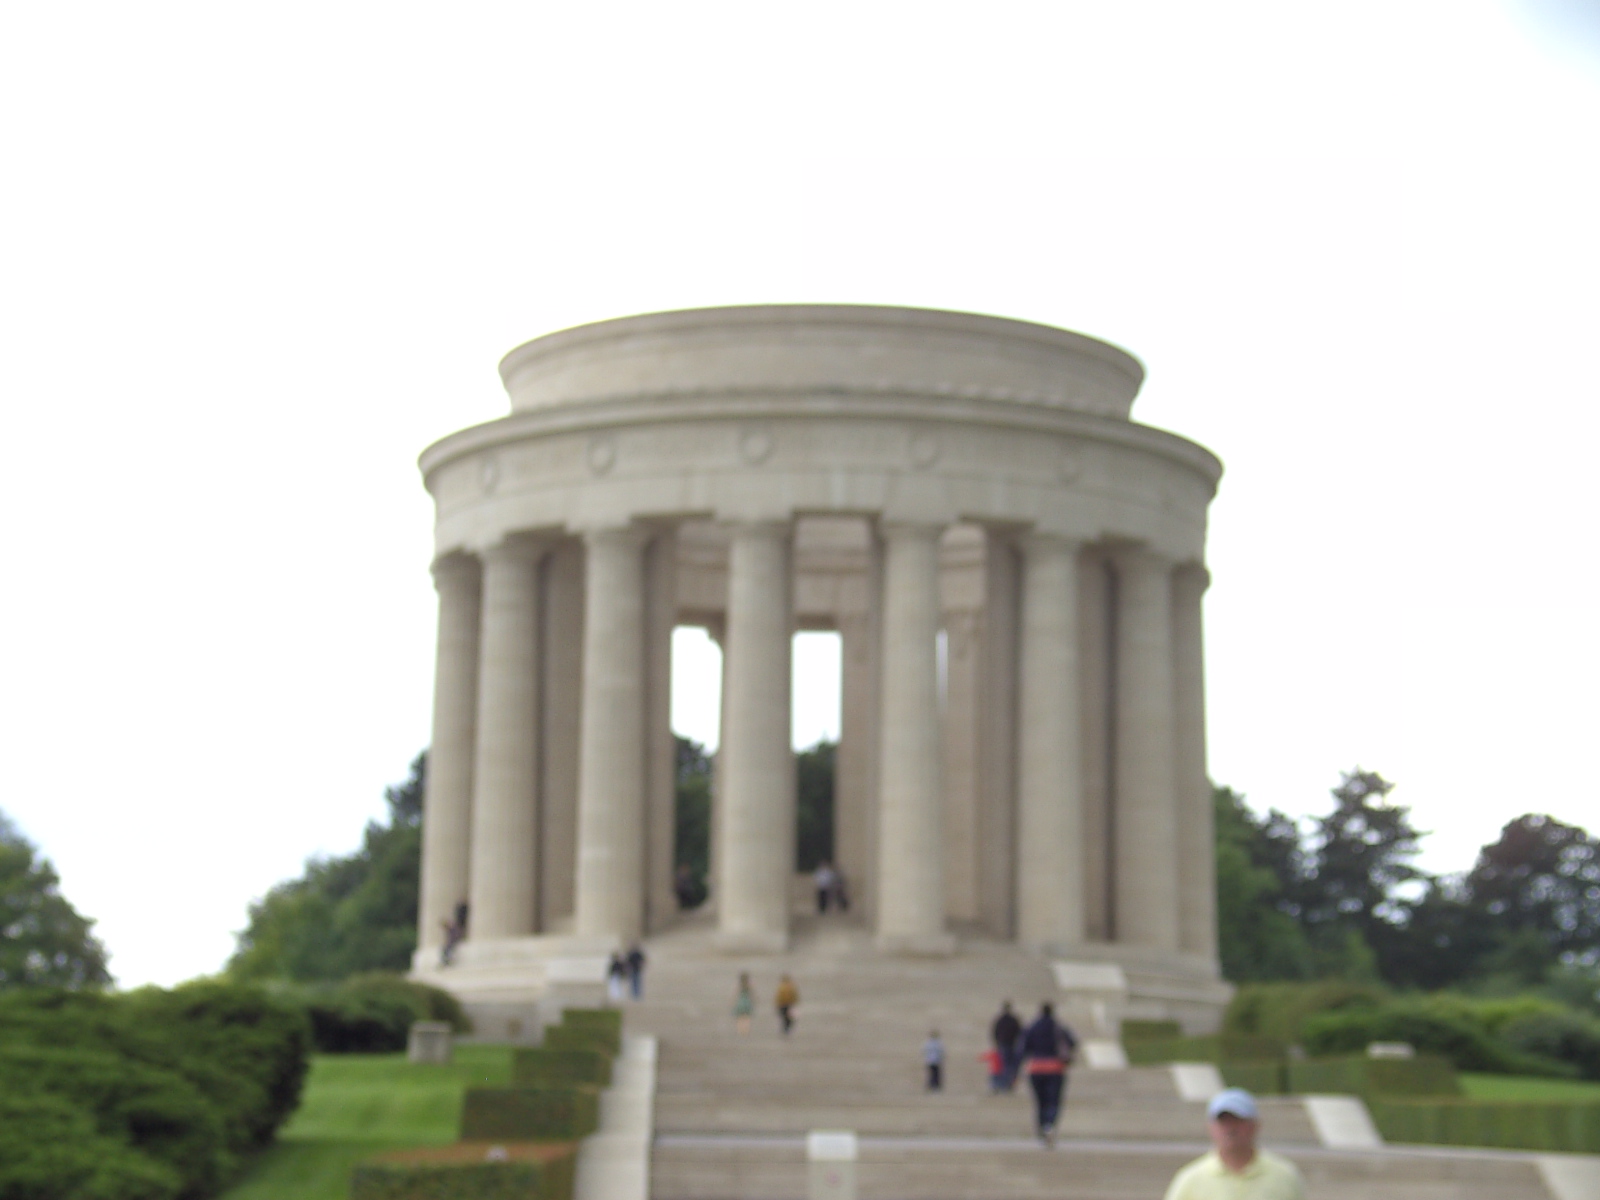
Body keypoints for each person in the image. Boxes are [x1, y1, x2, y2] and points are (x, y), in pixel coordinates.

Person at [1163, 1088, 1305, 1200]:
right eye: (1223, 1121)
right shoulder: (1191, 1180)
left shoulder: (1284, 1176)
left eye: (1238, 1120)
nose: (1230, 1128)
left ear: (1255, 1125)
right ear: (1210, 1127)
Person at [1021, 1002, 1078, 1146]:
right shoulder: (1058, 1028)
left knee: (1040, 1102)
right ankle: (1049, 1125)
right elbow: (1072, 1043)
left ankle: (1042, 1127)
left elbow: (1024, 1047)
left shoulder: (1033, 1027)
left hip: (1036, 1068)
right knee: (1053, 1101)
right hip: (1055, 1068)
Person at [991, 1000, 1023, 1092]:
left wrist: (997, 1043)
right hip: (1012, 1045)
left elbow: (995, 1032)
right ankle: (1008, 1084)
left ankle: (1003, 1084)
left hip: (1003, 1045)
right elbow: (1020, 1033)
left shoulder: (1000, 1020)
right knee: (1010, 1066)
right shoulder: (1014, 1020)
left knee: (1004, 1065)